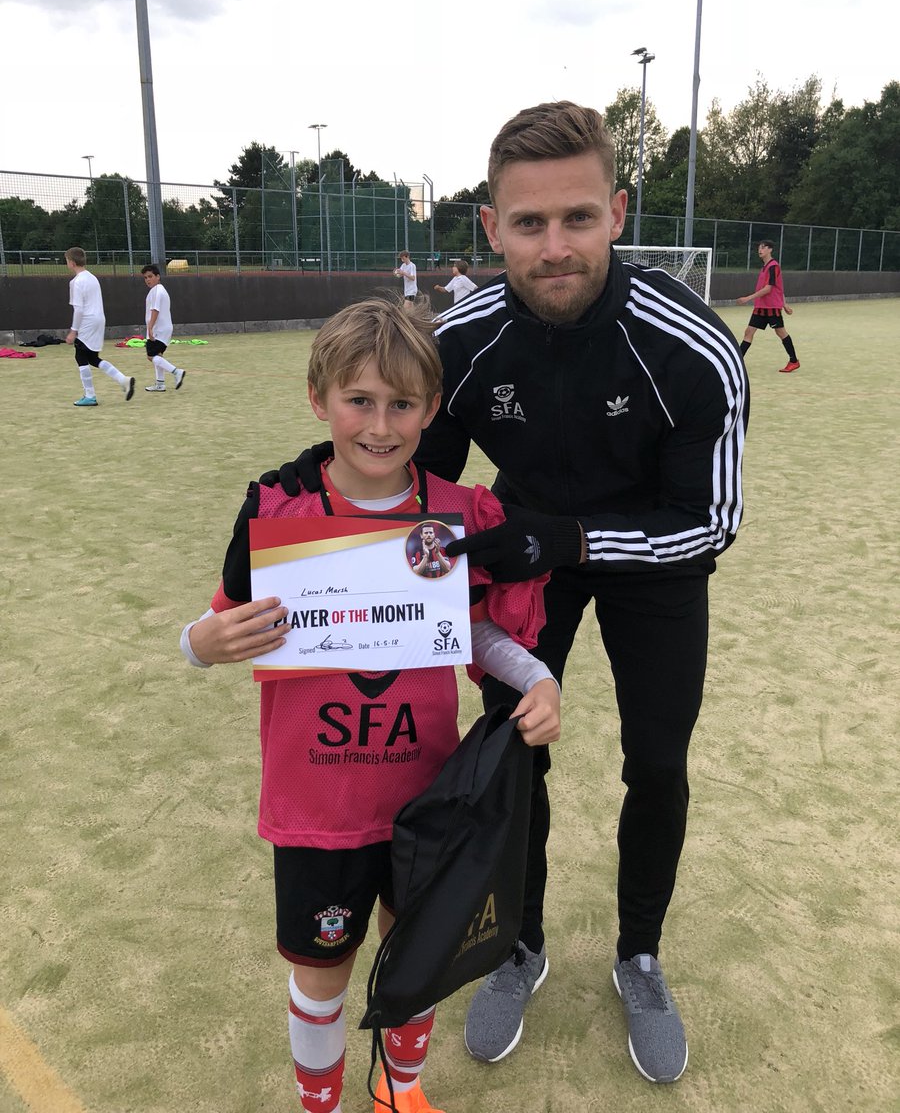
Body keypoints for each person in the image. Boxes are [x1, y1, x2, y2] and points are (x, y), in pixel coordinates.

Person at [263, 101, 749, 1087]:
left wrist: (570, 535)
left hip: (655, 567)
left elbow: (710, 522)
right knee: (509, 760)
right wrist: (289, 542)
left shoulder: (695, 347)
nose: (555, 246)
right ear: (491, 228)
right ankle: (518, 944)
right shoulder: (464, 336)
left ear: (616, 213)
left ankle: (639, 956)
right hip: (519, 565)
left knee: (656, 764)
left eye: (577, 218)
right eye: (529, 224)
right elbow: (410, 494)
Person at [181, 297, 560, 1113]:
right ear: (320, 398)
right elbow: (217, 626)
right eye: (360, 400)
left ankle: (400, 1091)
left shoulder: (455, 517)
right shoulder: (279, 511)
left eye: (402, 403)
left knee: (413, 955)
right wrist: (199, 645)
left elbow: (474, 633)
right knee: (322, 976)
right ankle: (321, 1104)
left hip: (427, 799)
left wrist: (535, 676)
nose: (380, 424)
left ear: (430, 407)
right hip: (318, 804)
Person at [64, 247, 134, 406]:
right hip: (99, 320)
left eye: (67, 260)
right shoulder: (92, 278)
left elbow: (79, 309)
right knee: (93, 358)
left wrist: (73, 331)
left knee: (80, 356)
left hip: (87, 322)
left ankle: (90, 396)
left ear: (72, 263)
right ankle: (123, 380)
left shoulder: (76, 282)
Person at [736, 241, 799, 372]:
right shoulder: (765, 267)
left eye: (763, 247)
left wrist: (748, 298)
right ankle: (737, 361)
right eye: (759, 247)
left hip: (771, 308)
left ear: (770, 250)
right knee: (749, 332)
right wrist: (785, 303)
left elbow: (769, 289)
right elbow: (779, 287)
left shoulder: (773, 266)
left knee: (780, 332)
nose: (760, 249)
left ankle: (794, 361)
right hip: (761, 307)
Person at [140, 264, 186, 392]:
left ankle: (176, 372)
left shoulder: (157, 291)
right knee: (158, 356)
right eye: (145, 278)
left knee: (151, 356)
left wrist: (150, 327)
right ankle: (160, 384)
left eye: (150, 276)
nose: (148, 280)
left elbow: (155, 310)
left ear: (158, 277)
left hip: (158, 330)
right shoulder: (157, 290)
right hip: (163, 329)